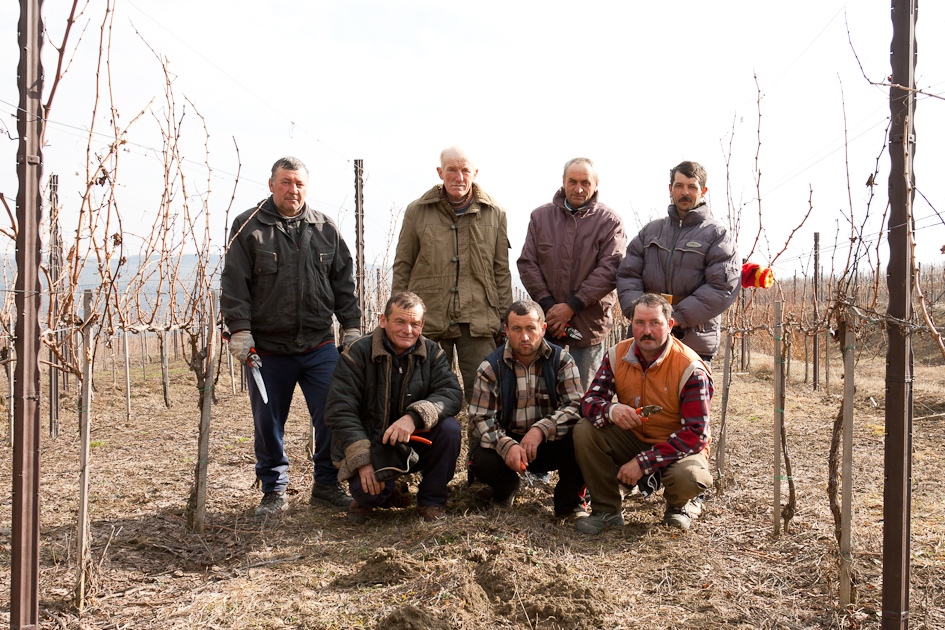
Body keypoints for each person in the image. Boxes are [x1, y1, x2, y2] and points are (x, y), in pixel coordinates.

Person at [220, 156, 361, 517]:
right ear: (271, 185)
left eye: (298, 184)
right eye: (285, 182)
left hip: (318, 343)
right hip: (268, 348)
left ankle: (327, 484)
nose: (292, 190)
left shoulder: (324, 228)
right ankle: (274, 489)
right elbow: (235, 283)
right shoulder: (248, 226)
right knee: (268, 421)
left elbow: (344, 283)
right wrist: (240, 330)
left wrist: (351, 326)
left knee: (334, 412)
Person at [573, 293, 713, 534]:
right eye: (639, 323)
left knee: (691, 476)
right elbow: (589, 402)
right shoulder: (617, 355)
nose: (646, 331)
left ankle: (678, 506)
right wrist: (611, 409)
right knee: (584, 430)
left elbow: (696, 435)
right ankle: (607, 510)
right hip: (633, 438)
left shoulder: (690, 368)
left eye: (655, 323)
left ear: (669, 325)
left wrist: (643, 462)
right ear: (631, 324)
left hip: (676, 448)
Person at [325, 292, 463, 523]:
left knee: (450, 429)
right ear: (383, 320)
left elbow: (451, 393)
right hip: (372, 442)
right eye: (400, 321)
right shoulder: (357, 353)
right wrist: (362, 460)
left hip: (416, 441)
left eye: (415, 324)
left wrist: (415, 417)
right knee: (371, 496)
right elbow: (340, 410)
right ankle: (383, 492)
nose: (408, 330)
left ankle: (432, 500)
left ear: (422, 325)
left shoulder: (433, 353)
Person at [393, 146, 512, 401]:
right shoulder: (417, 211)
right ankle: (431, 442)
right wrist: (399, 314)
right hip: (429, 318)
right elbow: (403, 263)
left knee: (485, 396)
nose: (459, 177)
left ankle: (483, 442)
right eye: (452, 170)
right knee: (425, 393)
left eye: (465, 170)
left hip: (479, 318)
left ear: (475, 173)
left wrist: (506, 318)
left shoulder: (495, 213)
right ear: (440, 173)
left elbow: (501, 270)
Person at [467, 300, 586, 517]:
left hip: (549, 442)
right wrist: (506, 446)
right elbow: (480, 418)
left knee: (585, 435)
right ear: (506, 331)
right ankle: (505, 489)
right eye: (517, 329)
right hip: (508, 444)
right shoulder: (490, 367)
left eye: (531, 328)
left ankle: (569, 503)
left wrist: (540, 430)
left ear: (543, 328)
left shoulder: (562, 360)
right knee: (482, 458)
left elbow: (576, 405)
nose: (524, 337)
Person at [518, 157, 626, 389]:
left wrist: (572, 306)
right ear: (563, 182)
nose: (578, 189)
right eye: (572, 181)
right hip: (547, 324)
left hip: (588, 323)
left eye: (585, 182)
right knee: (542, 392)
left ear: (596, 184)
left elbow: (609, 270)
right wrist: (549, 307)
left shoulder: (609, 222)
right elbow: (528, 264)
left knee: (583, 394)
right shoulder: (540, 217)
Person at [616, 160, 739, 361]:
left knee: (689, 393)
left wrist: (676, 318)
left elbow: (722, 287)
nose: (685, 192)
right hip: (646, 338)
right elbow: (627, 275)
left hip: (693, 341)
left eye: (692, 187)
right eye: (679, 185)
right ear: (670, 189)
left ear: (704, 191)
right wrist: (639, 315)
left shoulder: (718, 235)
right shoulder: (650, 232)